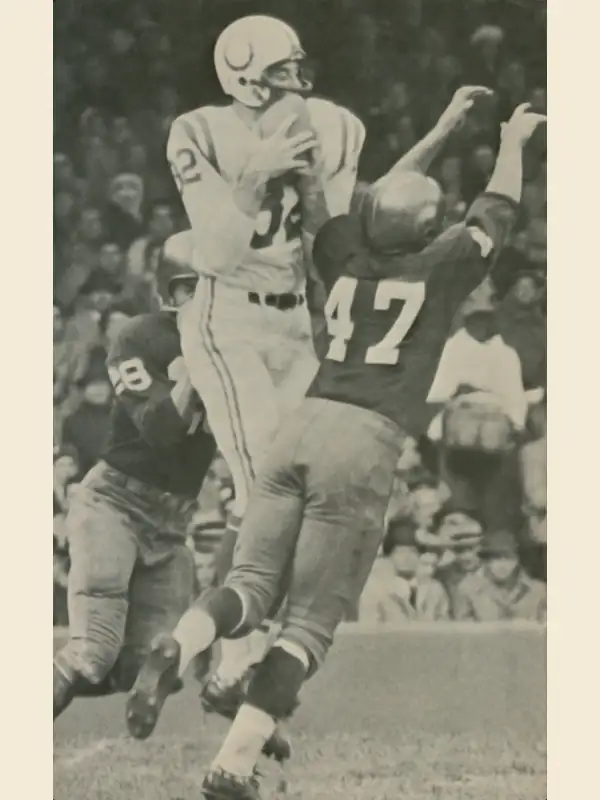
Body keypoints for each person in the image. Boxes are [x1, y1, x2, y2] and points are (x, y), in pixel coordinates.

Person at [126, 99, 546, 799]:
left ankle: (182, 644)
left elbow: (345, 204)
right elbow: (496, 206)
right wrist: (513, 140)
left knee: (250, 585)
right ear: (430, 227)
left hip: (304, 419)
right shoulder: (441, 265)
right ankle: (232, 763)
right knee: (311, 624)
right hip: (364, 440)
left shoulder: (346, 253)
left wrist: (436, 133)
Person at [168, 14, 367, 712]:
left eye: (297, 69)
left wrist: (311, 186)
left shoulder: (336, 126)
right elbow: (215, 255)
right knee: (262, 491)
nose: (296, 83)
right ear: (244, 77)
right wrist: (253, 180)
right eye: (280, 72)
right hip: (229, 317)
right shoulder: (198, 130)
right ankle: (233, 663)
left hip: (293, 321)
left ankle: (234, 646)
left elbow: (330, 247)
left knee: (304, 492)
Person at [53, 250, 216, 720]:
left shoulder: (234, 345)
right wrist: (196, 372)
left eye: (216, 286)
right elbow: (161, 429)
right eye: (194, 287)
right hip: (115, 505)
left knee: (142, 666)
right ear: (169, 293)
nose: (207, 298)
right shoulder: (141, 337)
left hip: (171, 526)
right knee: (94, 651)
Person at [453, 529, 546, 622]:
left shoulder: (537, 590)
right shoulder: (468, 589)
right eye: (496, 558)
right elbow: (463, 631)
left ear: (518, 559)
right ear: (486, 560)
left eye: (509, 558)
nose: (502, 565)